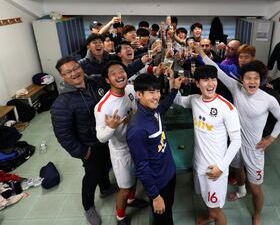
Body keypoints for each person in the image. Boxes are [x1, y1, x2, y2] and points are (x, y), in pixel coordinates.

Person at [198, 47, 280, 225]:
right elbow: (217, 68)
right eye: (248, 78)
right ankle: (240, 190)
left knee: (256, 190)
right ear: (242, 79)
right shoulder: (236, 88)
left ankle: (257, 214)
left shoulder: (268, 99)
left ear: (260, 80)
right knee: (237, 170)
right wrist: (201, 52)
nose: (252, 81)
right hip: (236, 144)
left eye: (256, 78)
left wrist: (270, 139)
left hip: (255, 149)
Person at [51, 57, 116, 225]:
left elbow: (117, 76)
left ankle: (106, 188)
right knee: (91, 175)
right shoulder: (62, 102)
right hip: (88, 145)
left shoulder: (95, 81)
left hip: (105, 137)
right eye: (68, 72)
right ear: (62, 76)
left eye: (76, 68)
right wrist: (82, 151)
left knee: (106, 164)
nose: (74, 73)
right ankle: (88, 207)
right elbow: (63, 134)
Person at [173, 66, 241, 225]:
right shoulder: (195, 100)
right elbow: (177, 100)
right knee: (206, 199)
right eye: (205, 80)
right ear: (197, 83)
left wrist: (222, 167)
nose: (210, 84)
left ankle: (213, 216)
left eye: (213, 79)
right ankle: (209, 215)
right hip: (198, 163)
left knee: (217, 211)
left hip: (215, 169)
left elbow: (237, 141)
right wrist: (173, 84)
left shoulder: (227, 108)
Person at [94, 61, 148, 225]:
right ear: (108, 80)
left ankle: (132, 200)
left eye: (122, 71)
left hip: (137, 145)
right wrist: (111, 127)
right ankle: (120, 217)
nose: (120, 75)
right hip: (121, 151)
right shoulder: (102, 107)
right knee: (124, 188)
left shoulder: (131, 89)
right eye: (114, 73)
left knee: (135, 177)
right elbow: (101, 137)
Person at [126, 73, 183, 225]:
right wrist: (155, 196)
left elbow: (163, 106)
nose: (156, 96)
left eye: (157, 91)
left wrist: (174, 90)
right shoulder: (137, 129)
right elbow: (142, 167)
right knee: (162, 219)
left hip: (169, 172)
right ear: (139, 94)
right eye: (151, 92)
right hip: (159, 182)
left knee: (168, 209)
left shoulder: (153, 110)